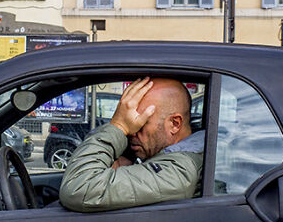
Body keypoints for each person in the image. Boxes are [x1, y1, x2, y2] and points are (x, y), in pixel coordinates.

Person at [59, 77, 203, 212]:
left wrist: (119, 126)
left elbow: (78, 188)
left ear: (174, 124)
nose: (132, 132)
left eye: (141, 124)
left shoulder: (178, 171)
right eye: (130, 123)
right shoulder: (167, 154)